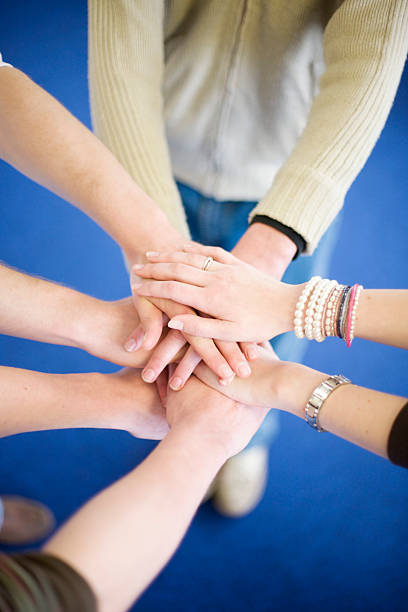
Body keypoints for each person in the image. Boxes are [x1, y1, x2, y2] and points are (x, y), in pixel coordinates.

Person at [87, 0, 408, 515]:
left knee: (272, 332)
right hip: (160, 156)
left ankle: (248, 436)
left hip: (289, 182)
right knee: (166, 322)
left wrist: (277, 235)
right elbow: (121, 46)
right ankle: (190, 417)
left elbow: (370, 59)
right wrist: (153, 231)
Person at [130, 243, 408, 467]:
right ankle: (213, 435)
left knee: (260, 350)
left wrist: (284, 381)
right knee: (224, 350)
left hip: (293, 229)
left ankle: (245, 439)